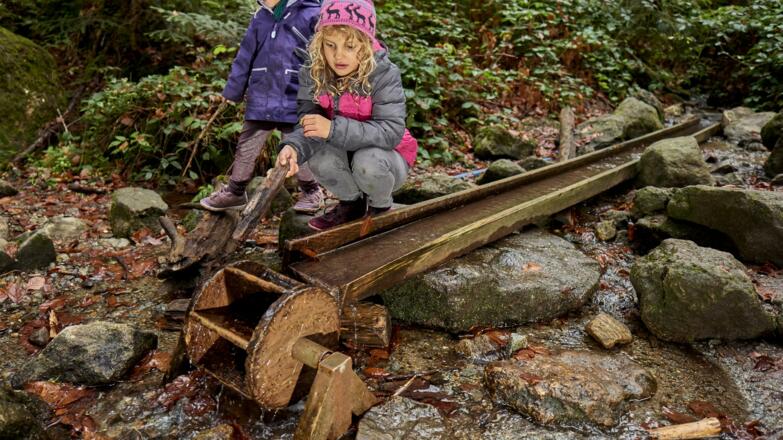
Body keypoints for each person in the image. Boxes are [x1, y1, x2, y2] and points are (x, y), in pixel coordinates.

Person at [276, 0, 418, 231]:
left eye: (350, 46)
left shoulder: (385, 74)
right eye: (330, 45)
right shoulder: (313, 71)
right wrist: (293, 147)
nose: (338, 56)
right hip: (343, 153)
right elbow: (309, 123)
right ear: (320, 42)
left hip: (386, 159)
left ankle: (380, 207)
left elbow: (392, 132)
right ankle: (351, 203)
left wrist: (331, 129)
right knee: (319, 155)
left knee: (367, 161)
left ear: (366, 44)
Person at [200, 0, 325, 214]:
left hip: (294, 93)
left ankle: (312, 191)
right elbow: (244, 56)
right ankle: (235, 191)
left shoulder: (312, 13)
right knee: (247, 144)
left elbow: (322, 56)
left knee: (298, 145)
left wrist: (320, 92)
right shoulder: (261, 17)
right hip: (261, 93)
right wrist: (233, 91)